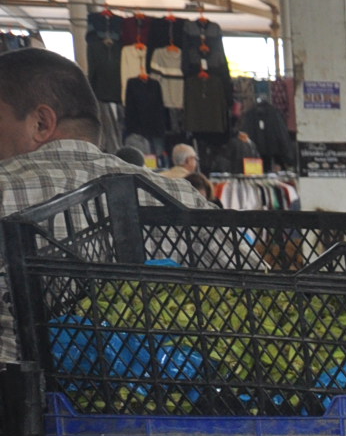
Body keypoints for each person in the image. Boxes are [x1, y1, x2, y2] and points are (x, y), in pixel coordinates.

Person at [0, 47, 211, 361]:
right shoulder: (180, 196)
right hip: (175, 400)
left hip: (22, 404)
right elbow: (261, 297)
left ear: (42, 123)